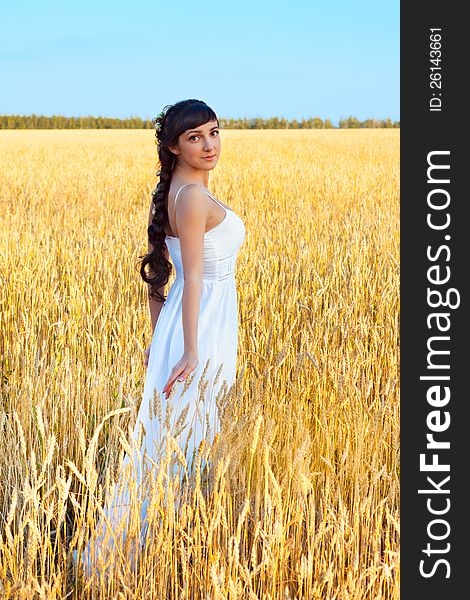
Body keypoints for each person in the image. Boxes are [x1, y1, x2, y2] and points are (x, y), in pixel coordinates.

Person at [74, 99, 246, 578]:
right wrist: (189, 349)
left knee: (175, 439)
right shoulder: (191, 197)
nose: (209, 145)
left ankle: (149, 551)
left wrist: (161, 336)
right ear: (173, 146)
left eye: (214, 132)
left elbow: (158, 275)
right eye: (194, 137)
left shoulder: (179, 189)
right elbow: (191, 278)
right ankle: (125, 560)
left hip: (188, 320)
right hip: (201, 322)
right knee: (184, 442)